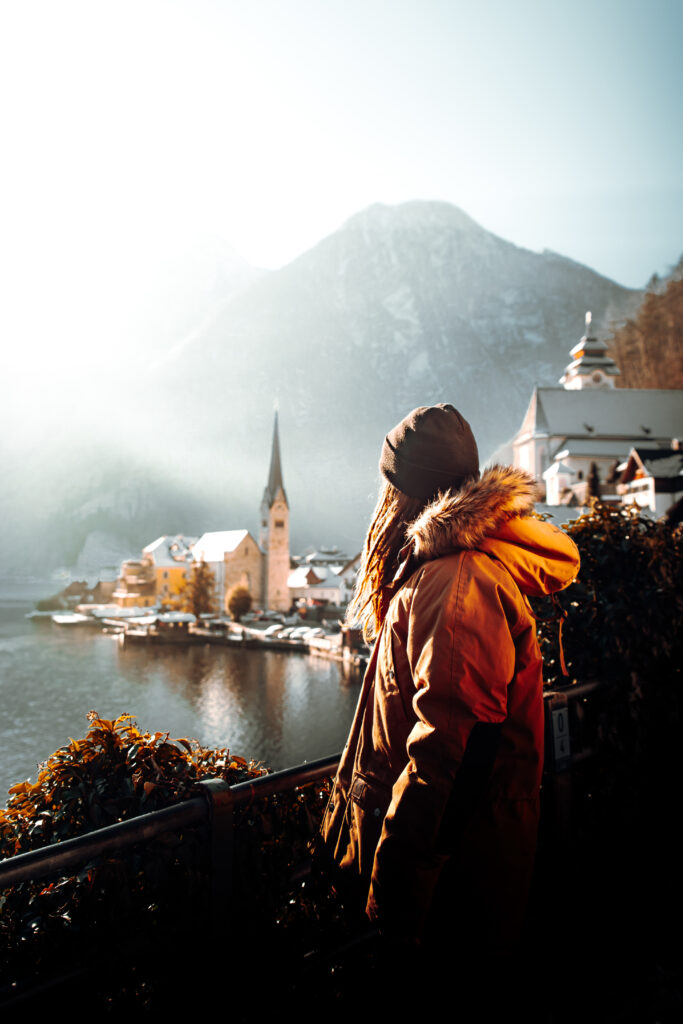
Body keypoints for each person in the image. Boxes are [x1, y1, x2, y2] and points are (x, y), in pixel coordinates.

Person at [320, 404, 580, 977]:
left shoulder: (455, 578)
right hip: (460, 874)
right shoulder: (445, 570)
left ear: (407, 493)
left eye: (388, 485)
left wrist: (397, 897)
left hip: (452, 893)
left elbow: (455, 753)